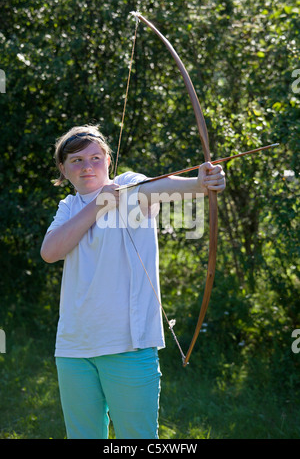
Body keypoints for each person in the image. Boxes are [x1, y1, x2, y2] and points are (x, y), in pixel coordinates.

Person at [40, 124, 226, 439]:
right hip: (73, 347)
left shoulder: (128, 187)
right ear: (63, 168)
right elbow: (50, 251)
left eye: (96, 157)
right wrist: (99, 205)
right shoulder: (68, 207)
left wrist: (199, 182)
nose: (88, 166)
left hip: (127, 344)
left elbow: (160, 188)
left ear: (108, 161)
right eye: (77, 160)